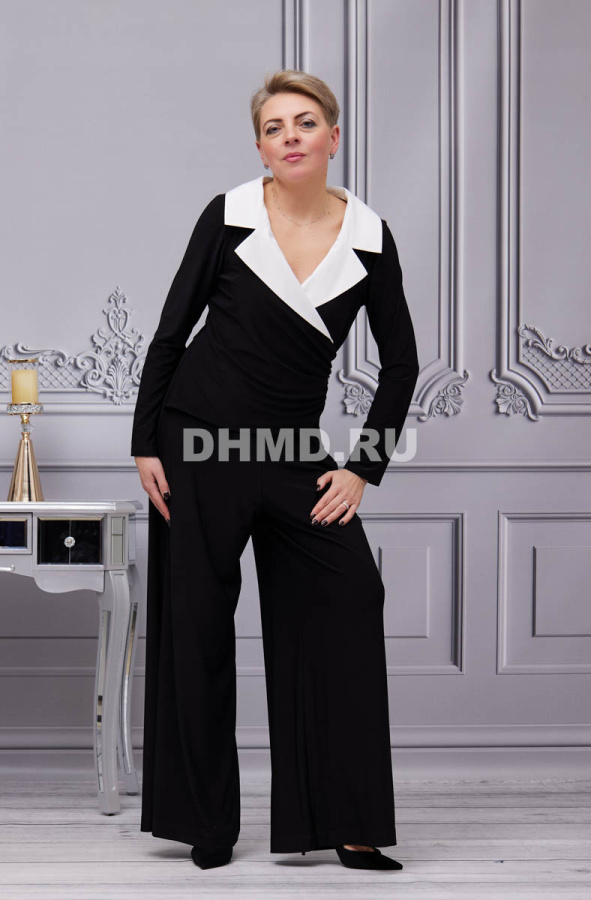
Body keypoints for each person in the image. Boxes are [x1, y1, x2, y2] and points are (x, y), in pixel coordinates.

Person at [131, 69, 419, 873]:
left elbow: (401, 363)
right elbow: (170, 332)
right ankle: (206, 823)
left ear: (333, 137)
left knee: (350, 598)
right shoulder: (227, 217)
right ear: (260, 147)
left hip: (293, 450)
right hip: (196, 443)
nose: (290, 136)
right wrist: (146, 442)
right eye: (273, 127)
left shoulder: (370, 236)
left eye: (305, 122)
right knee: (195, 626)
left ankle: (348, 822)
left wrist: (362, 468)